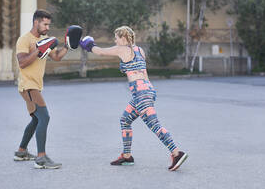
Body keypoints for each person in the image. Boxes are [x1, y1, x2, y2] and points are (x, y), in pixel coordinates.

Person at [80, 26, 187, 171]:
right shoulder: (139, 50)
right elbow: (144, 73)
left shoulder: (122, 49)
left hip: (141, 94)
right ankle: (127, 156)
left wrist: (87, 44)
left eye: (116, 38)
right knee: (125, 120)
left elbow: (101, 52)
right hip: (146, 90)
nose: (115, 40)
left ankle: (177, 153)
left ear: (123, 38)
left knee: (154, 125)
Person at [14, 9, 81, 169]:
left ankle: (21, 152)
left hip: (36, 85)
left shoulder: (45, 39)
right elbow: (22, 62)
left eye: (48, 24)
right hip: (27, 85)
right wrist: (38, 49)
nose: (47, 27)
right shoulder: (24, 40)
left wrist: (68, 46)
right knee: (45, 117)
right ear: (36, 22)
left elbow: (57, 57)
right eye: (45, 24)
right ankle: (41, 158)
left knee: (36, 119)